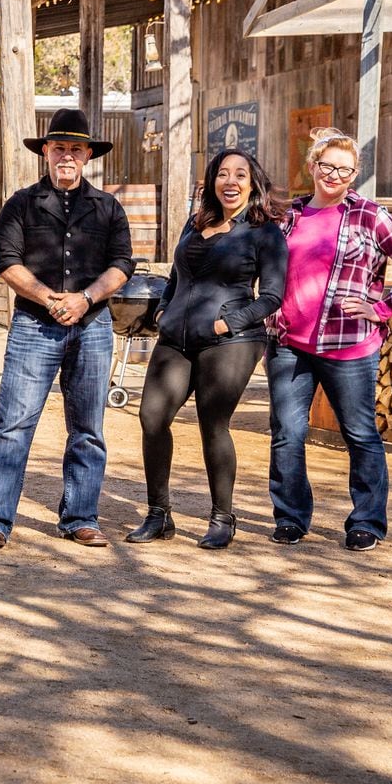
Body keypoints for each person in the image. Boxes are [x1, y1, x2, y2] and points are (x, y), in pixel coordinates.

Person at [0, 108, 134, 549]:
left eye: (75, 149)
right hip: (33, 326)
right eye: (59, 147)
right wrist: (49, 298)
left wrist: (85, 299)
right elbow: (6, 261)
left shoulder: (108, 207)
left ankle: (80, 516)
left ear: (87, 156)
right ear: (45, 151)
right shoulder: (20, 205)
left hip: (94, 327)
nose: (67, 155)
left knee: (88, 427)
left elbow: (122, 265)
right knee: (13, 423)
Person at [127, 149, 287, 549]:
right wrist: (163, 309)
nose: (230, 181)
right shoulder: (195, 222)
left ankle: (222, 517)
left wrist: (226, 322)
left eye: (240, 175)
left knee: (212, 423)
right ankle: (158, 514)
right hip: (175, 337)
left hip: (231, 340)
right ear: (212, 180)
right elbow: (176, 276)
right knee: (151, 417)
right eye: (222, 174)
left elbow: (271, 297)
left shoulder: (264, 231)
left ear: (253, 183)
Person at [267, 128, 392, 552]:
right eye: (327, 165)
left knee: (360, 433)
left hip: (349, 346)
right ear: (312, 166)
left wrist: (384, 307)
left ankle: (366, 521)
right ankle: (291, 517)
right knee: (286, 433)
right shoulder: (288, 215)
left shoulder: (370, 215)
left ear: (354, 175)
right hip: (288, 343)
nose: (334, 174)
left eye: (344, 169)